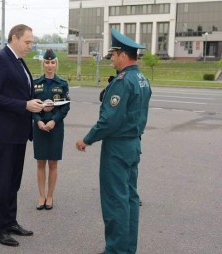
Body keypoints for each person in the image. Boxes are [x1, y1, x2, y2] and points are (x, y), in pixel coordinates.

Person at [76, 28, 152, 254]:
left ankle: (116, 250)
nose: (112, 60)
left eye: (114, 55)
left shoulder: (123, 81)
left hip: (118, 147)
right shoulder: (142, 79)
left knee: (115, 201)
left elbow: (110, 120)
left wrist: (87, 139)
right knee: (129, 198)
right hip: (133, 144)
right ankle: (127, 248)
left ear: (122, 54)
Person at [0, 24, 44, 247]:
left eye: (31, 42)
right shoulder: (0, 59)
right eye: (27, 42)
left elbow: (20, 91)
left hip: (18, 131)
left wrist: (37, 103)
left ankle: (10, 221)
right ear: (14, 38)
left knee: (13, 180)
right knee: (3, 180)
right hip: (5, 132)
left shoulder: (18, 60)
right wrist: (24, 105)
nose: (30, 46)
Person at [32, 49, 70, 210]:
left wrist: (54, 121)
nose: (49, 65)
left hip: (55, 127)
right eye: (47, 62)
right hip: (39, 127)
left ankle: (50, 196)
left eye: (52, 62)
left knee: (53, 163)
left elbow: (66, 107)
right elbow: (31, 106)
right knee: (41, 162)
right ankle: (41, 196)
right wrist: (39, 121)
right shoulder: (35, 84)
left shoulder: (62, 84)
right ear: (43, 63)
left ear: (56, 64)